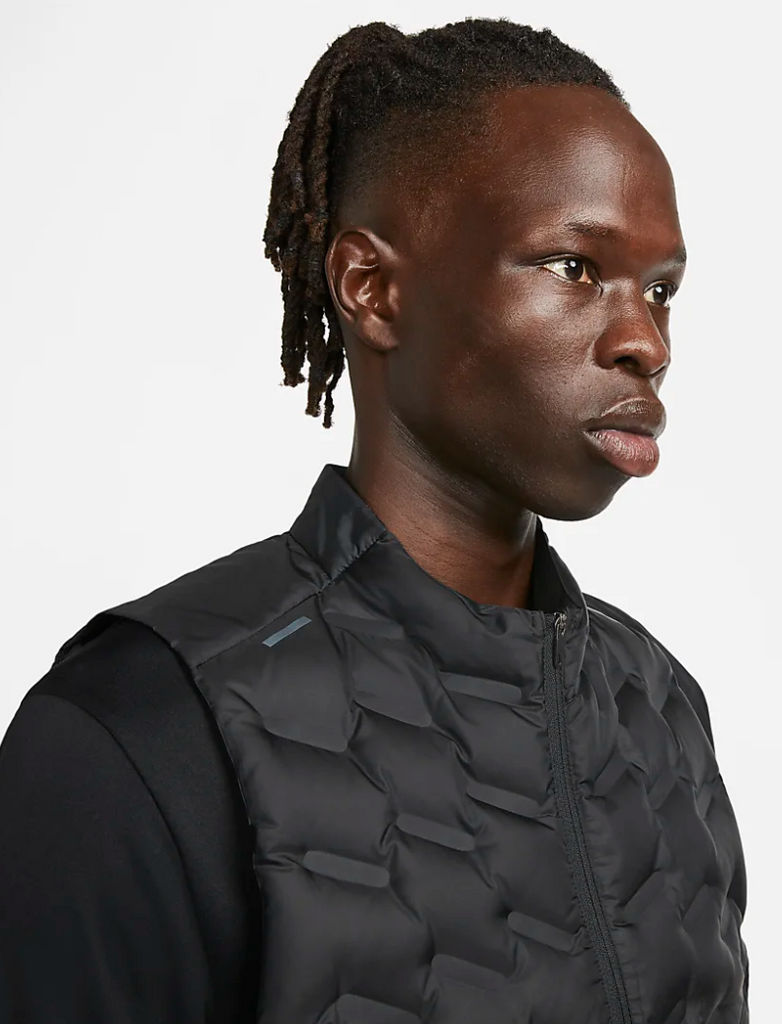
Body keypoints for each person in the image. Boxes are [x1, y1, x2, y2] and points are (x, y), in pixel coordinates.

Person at [0, 17, 749, 1024]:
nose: (645, 342)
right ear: (373, 290)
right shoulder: (142, 728)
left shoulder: (657, 710)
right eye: (573, 267)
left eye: (659, 290)